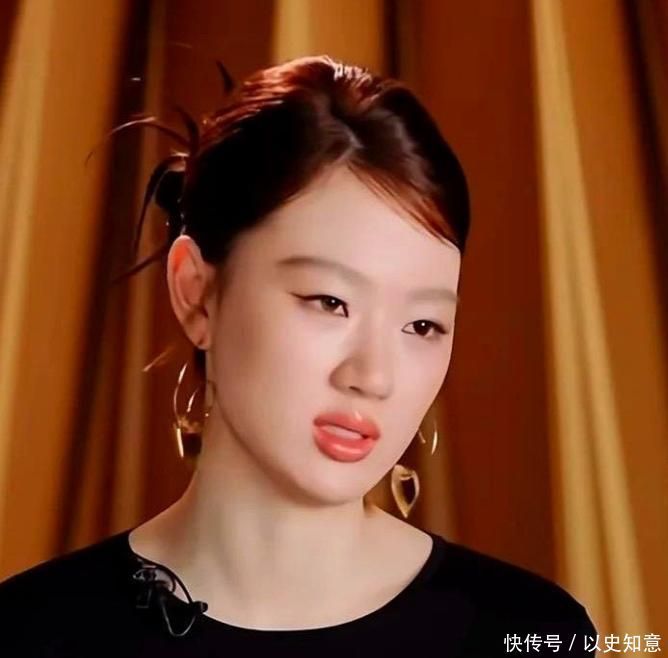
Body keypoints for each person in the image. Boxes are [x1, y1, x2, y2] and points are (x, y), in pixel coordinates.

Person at [0, 55, 597, 656]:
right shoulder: (31, 633)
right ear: (196, 292)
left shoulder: (527, 630)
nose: (373, 377)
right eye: (329, 302)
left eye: (422, 325)